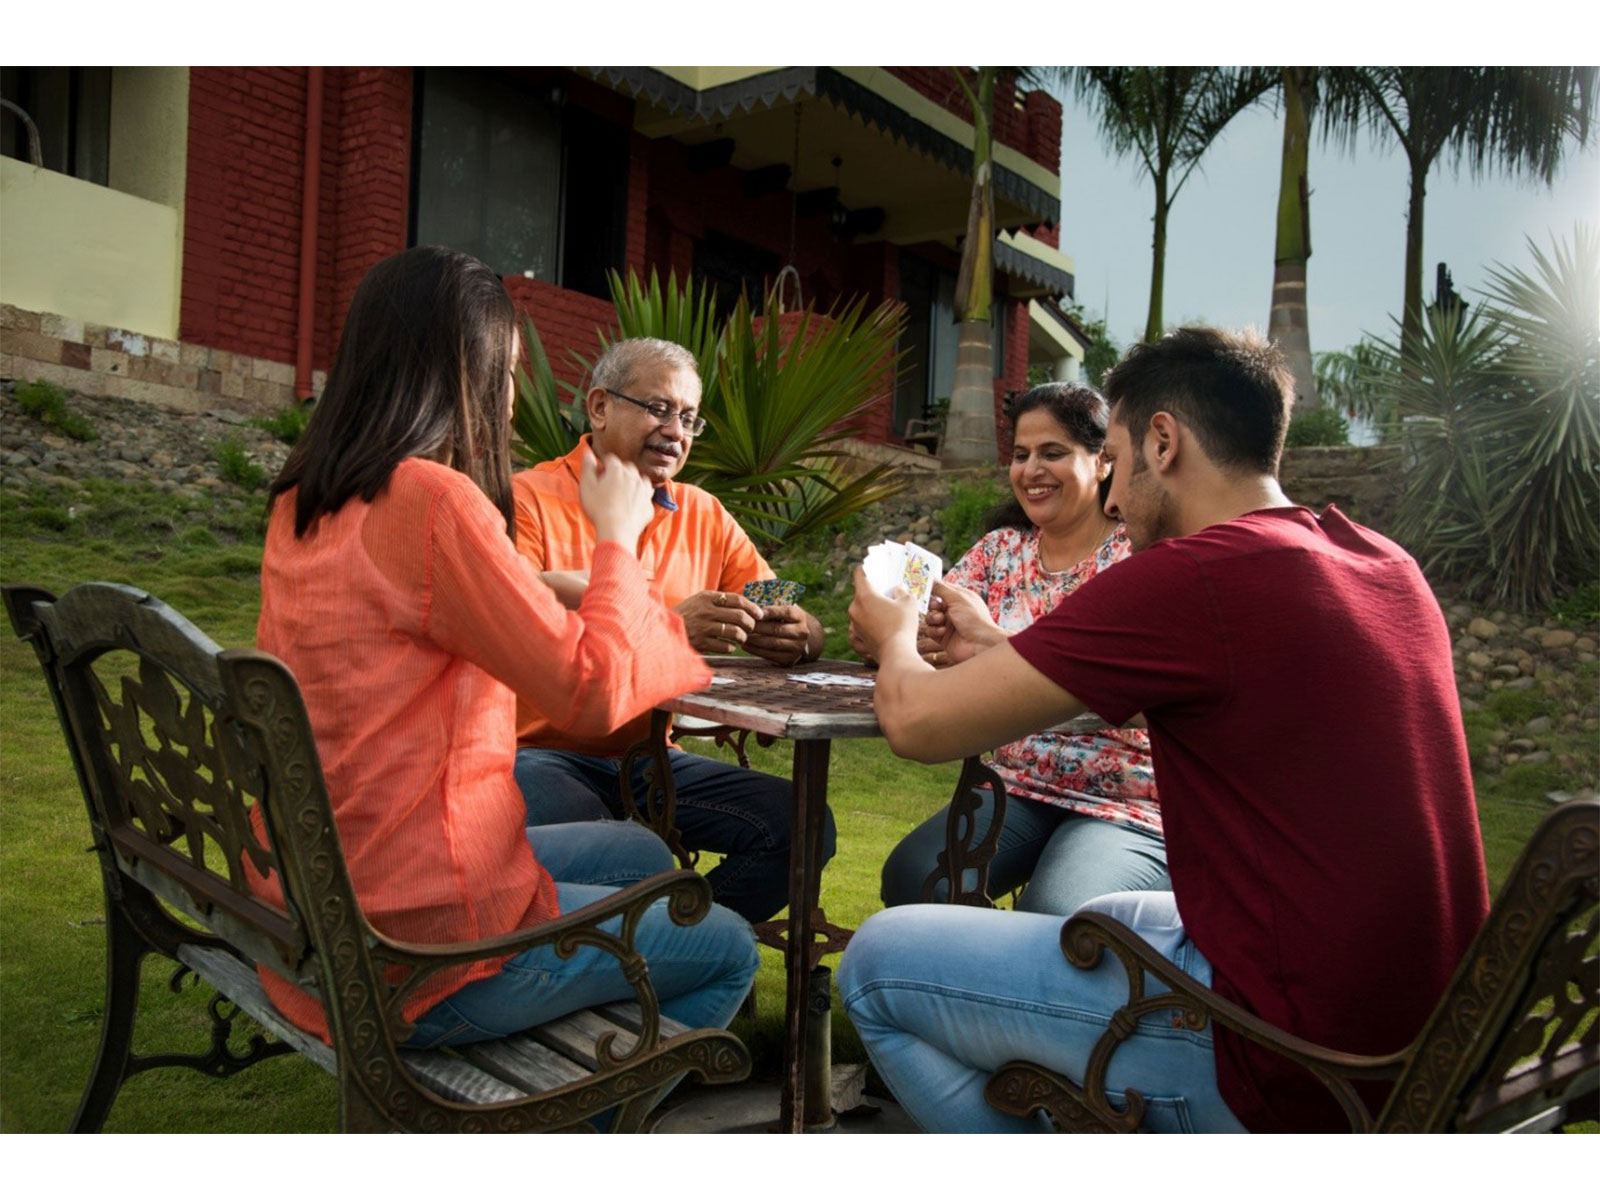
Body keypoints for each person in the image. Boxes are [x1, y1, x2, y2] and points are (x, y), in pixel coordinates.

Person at [842, 326, 1489, 1134]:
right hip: (1420, 1040)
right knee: (1104, 916)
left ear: (1163, 441)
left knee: (875, 964)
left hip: (1285, 1063)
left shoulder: (1193, 576)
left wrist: (897, 631)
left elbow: (915, 722)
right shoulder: (1382, 562)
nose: (1113, 501)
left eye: (1113, 460)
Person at [246, 246, 758, 1055]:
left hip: (320, 887)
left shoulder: (307, 495)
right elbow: (590, 689)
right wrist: (617, 538)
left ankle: (578, 1046)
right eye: (508, 370)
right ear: (465, 372)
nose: (511, 395)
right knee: (728, 946)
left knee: (640, 850)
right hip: (416, 947)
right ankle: (575, 1103)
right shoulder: (437, 499)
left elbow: (490, 618)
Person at [510, 337, 835, 925]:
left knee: (800, 825)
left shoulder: (704, 513)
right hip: (538, 750)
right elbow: (522, 626)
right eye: (659, 409)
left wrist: (799, 634)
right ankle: (654, 950)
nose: (676, 431)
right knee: (611, 854)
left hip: (652, 756)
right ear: (600, 406)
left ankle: (688, 942)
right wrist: (669, 625)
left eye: (689, 418)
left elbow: (785, 607)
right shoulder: (529, 498)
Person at [873, 382, 1165, 915]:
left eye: (1052, 453)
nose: (1032, 470)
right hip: (1018, 785)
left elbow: (1151, 696)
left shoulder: (1137, 558)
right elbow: (932, 636)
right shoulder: (1000, 551)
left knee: (1058, 914)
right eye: (1021, 454)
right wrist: (899, 637)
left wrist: (992, 641)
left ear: (1103, 461)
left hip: (1125, 800)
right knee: (917, 879)